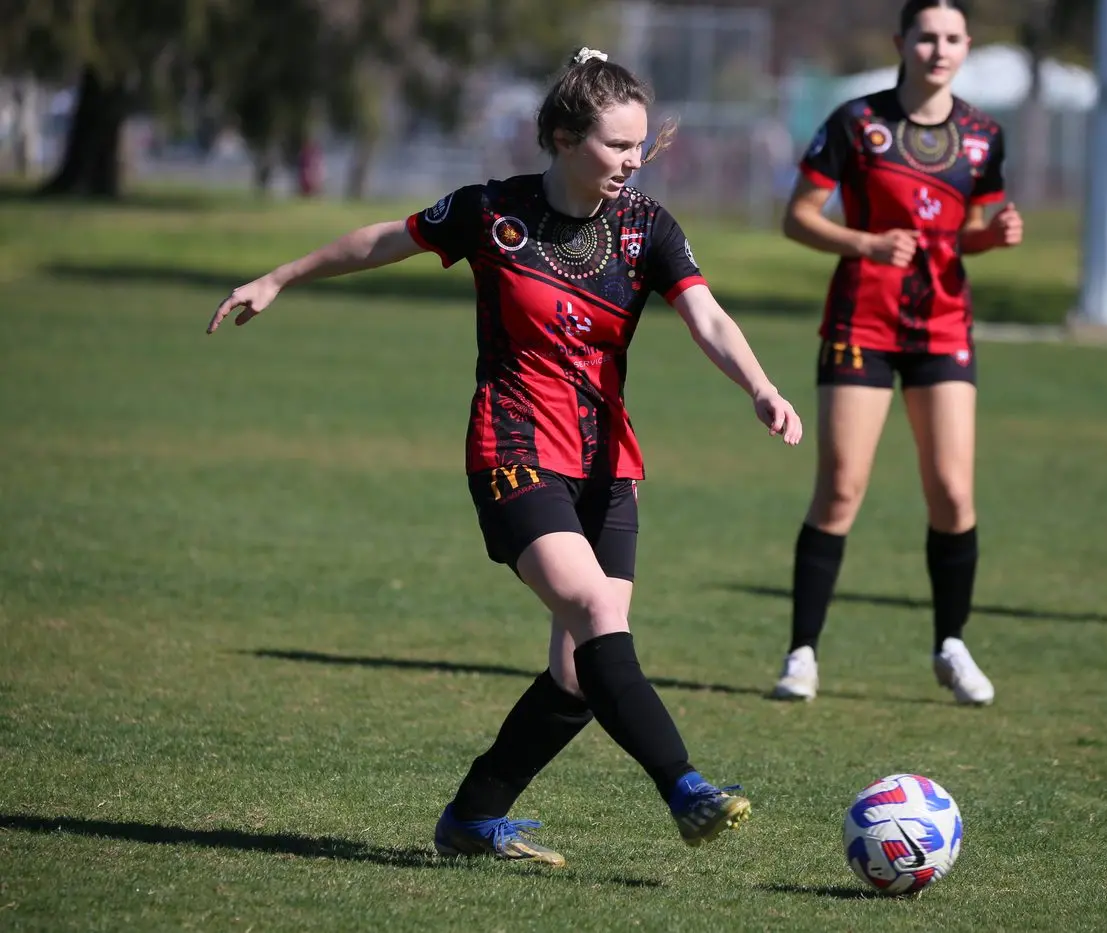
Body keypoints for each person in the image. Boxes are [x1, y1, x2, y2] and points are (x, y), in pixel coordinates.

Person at [207, 47, 803, 866]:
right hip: (513, 447)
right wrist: (280, 276)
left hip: (605, 463)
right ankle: (685, 786)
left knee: (577, 670)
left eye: (640, 148)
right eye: (615, 146)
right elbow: (385, 239)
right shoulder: (491, 212)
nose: (632, 162)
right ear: (562, 137)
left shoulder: (647, 227)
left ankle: (473, 817)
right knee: (599, 618)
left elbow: (709, 319)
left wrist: (760, 386)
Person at [770, 0, 1022, 705]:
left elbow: (968, 231)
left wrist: (991, 237)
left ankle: (950, 645)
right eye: (924, 37)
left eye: (950, 39)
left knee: (951, 489)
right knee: (841, 486)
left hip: (942, 325)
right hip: (862, 323)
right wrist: (866, 243)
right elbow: (797, 217)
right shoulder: (856, 122)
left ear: (966, 46)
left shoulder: (982, 135)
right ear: (901, 43)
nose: (937, 50)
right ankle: (801, 654)